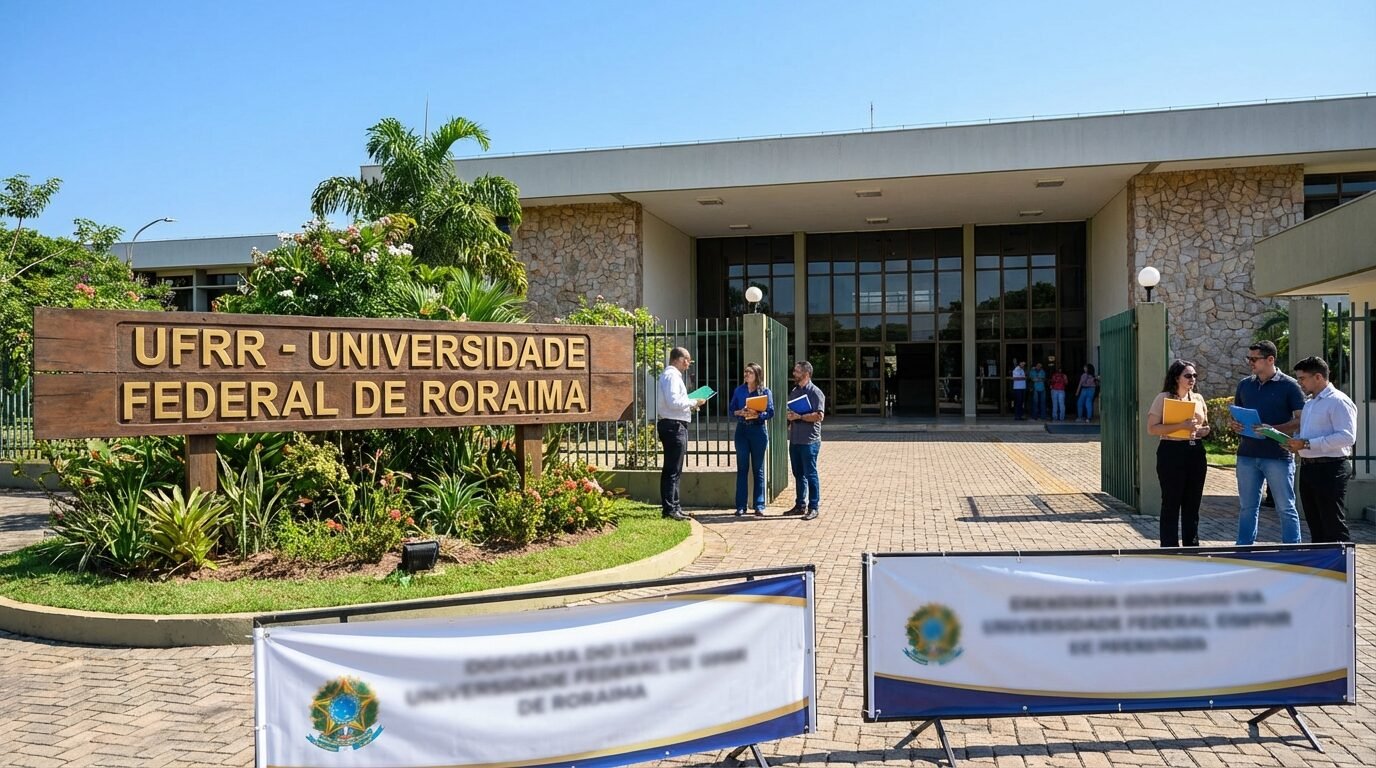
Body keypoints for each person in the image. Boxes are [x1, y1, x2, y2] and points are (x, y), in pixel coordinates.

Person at [1229, 340, 1304, 545]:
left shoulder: (1290, 386)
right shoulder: (1244, 385)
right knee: (1247, 506)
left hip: (1278, 456)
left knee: (1285, 507)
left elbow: (1300, 419)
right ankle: (1243, 549)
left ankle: (1291, 550)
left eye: (1254, 359)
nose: (1250, 362)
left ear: (1270, 359)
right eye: (1249, 358)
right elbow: (1238, 415)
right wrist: (1235, 425)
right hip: (1247, 455)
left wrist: (1273, 430)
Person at [1286, 356, 1357, 543]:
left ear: (1318, 377)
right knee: (1315, 524)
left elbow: (1347, 437)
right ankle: (1322, 570)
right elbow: (1308, 433)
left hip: (1331, 468)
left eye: (1302, 378)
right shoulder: (1309, 403)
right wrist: (1294, 443)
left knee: (1332, 522)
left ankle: (1343, 570)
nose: (1299, 383)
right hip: (1309, 467)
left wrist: (1307, 444)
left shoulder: (1339, 401)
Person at [1146, 360, 1210, 547]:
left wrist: (1202, 430)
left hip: (1195, 451)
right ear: (1176, 378)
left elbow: (1205, 426)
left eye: (1194, 376)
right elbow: (1152, 428)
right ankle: (1169, 546)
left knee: (1193, 502)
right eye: (1188, 376)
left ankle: (1192, 545)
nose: (1192, 379)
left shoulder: (1198, 398)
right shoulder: (1164, 398)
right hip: (1171, 452)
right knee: (1171, 502)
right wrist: (1181, 426)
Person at [656, 346, 706, 521]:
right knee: (672, 469)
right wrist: (693, 402)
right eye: (687, 360)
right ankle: (669, 508)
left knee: (675, 469)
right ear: (681, 359)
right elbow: (673, 401)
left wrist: (691, 403)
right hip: (673, 425)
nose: (688, 364)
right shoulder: (671, 376)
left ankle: (674, 506)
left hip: (674, 424)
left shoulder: (672, 376)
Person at [729, 362, 775, 517]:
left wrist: (758, 414)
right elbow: (731, 410)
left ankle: (759, 505)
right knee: (742, 468)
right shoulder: (739, 390)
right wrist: (740, 412)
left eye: (750, 372)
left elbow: (770, 412)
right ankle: (741, 506)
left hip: (758, 431)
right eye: (745, 372)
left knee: (758, 469)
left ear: (757, 375)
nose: (746, 374)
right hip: (742, 430)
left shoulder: (765, 392)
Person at [785, 360, 826, 521]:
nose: (794, 374)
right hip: (795, 439)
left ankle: (813, 507)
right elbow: (791, 411)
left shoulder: (815, 392)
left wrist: (800, 416)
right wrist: (790, 416)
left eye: (797, 371)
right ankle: (800, 505)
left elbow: (819, 416)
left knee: (810, 474)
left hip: (809, 440)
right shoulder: (795, 391)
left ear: (806, 373)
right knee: (798, 474)